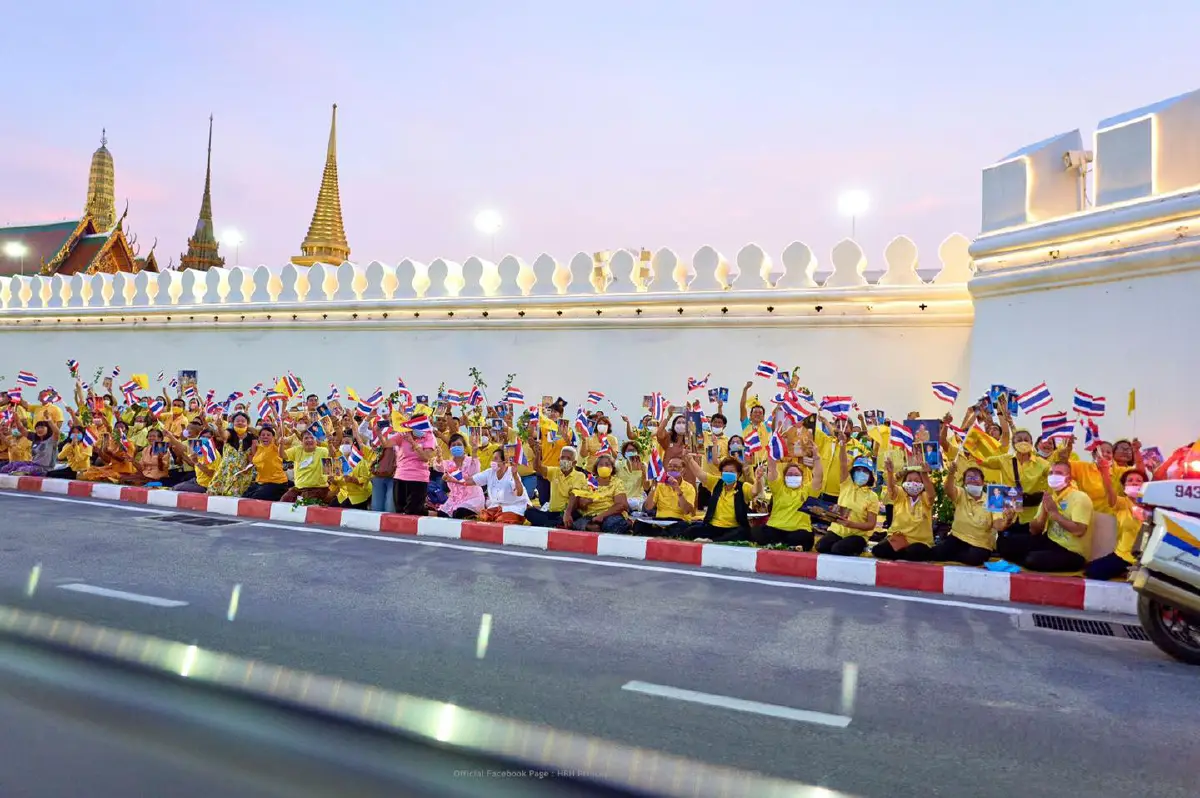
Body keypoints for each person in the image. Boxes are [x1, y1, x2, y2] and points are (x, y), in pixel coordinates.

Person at [996, 461, 1093, 572]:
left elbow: (1079, 531)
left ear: (1069, 478)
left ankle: (1025, 558)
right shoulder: (1050, 497)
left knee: (1032, 559)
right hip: (1050, 541)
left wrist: (1054, 514)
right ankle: (1025, 557)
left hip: (1072, 551)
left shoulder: (1080, 498)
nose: (1053, 476)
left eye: (1059, 473)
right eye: (1051, 473)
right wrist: (1043, 512)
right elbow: (1035, 530)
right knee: (1004, 544)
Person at [753, 447, 825, 550]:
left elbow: (818, 477)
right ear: (784, 477)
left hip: (799, 530)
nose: (793, 476)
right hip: (775, 527)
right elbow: (772, 469)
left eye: (796, 474)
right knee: (756, 533)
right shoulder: (779, 488)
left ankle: (786, 546)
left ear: (802, 477)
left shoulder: (808, 490)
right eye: (789, 474)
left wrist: (817, 458)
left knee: (802, 538)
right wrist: (772, 450)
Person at [929, 461, 1000, 566]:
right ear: (964, 482)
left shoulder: (992, 499)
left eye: (975, 477)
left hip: (980, 544)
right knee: (935, 554)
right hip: (957, 538)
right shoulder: (961, 493)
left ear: (983, 481)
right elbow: (948, 490)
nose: (972, 480)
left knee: (973, 558)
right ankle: (954, 554)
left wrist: (1007, 520)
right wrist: (951, 473)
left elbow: (999, 525)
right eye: (969, 477)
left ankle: (954, 555)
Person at [1084, 465, 1147, 581]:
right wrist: (1104, 472)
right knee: (1090, 570)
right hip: (1123, 555)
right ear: (1124, 486)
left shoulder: (1152, 506)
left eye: (1139, 481)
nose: (1134, 483)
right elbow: (1109, 491)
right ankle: (1126, 571)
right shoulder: (1122, 503)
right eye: (1130, 480)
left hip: (1144, 558)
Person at [680, 452, 755, 543]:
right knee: (690, 530)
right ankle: (716, 539)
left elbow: (755, 491)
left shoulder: (744, 486)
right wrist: (690, 460)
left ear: (738, 474)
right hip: (713, 526)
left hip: (734, 527)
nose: (728, 474)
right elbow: (700, 474)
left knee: (743, 533)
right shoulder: (716, 483)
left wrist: (758, 479)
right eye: (725, 471)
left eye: (731, 472)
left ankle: (713, 541)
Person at [816, 454, 880, 556]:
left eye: (865, 471)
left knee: (838, 549)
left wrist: (851, 524)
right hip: (838, 530)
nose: (861, 473)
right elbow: (842, 464)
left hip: (857, 534)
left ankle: (859, 547)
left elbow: (871, 524)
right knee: (821, 547)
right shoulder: (846, 484)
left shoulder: (872, 497)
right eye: (858, 470)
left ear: (870, 475)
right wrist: (842, 444)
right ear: (853, 472)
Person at [872, 461, 934, 561]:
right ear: (904, 482)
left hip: (920, 541)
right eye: (909, 480)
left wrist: (924, 475)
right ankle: (900, 552)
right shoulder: (900, 493)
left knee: (913, 552)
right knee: (878, 550)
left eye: (917, 481)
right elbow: (891, 488)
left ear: (922, 484)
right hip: (900, 538)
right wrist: (890, 473)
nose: (913, 483)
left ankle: (902, 553)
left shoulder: (925, 497)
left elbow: (931, 495)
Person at [566, 453, 630, 534]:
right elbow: (579, 502)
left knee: (610, 525)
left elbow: (622, 504)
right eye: (601, 465)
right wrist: (583, 503)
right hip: (590, 517)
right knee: (585, 525)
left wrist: (601, 516)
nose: (604, 467)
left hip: (610, 515)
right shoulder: (589, 482)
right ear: (596, 468)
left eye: (607, 464)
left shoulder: (616, 482)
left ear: (612, 468)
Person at [389, 408, 437, 515]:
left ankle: (435, 514)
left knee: (414, 511)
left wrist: (412, 442)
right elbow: (385, 444)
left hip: (418, 478)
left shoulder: (429, 437)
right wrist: (379, 432)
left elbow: (425, 457)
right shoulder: (403, 434)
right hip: (401, 476)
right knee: (400, 509)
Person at [635, 454, 696, 537]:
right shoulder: (660, 485)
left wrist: (678, 489)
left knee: (679, 528)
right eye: (670, 466)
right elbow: (648, 507)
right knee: (639, 524)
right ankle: (662, 534)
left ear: (683, 470)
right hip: (660, 521)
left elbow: (687, 511)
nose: (672, 468)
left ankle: (662, 535)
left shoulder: (689, 487)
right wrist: (653, 487)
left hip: (678, 521)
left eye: (676, 467)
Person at [527, 443, 586, 528]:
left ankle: (551, 523)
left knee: (574, 516)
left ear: (574, 463)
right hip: (552, 512)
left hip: (567, 512)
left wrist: (567, 513)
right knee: (529, 512)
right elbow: (537, 468)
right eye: (562, 457)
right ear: (559, 460)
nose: (564, 460)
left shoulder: (579, 475)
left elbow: (575, 494)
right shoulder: (554, 471)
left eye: (568, 458)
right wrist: (537, 454)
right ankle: (554, 524)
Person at [470, 445, 529, 524]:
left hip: (513, 506)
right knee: (483, 517)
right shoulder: (490, 471)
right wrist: (454, 479)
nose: (492, 462)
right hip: (497, 506)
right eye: (492, 459)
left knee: (501, 521)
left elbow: (518, 493)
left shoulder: (512, 473)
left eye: (495, 459)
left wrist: (515, 476)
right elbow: (471, 480)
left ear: (504, 462)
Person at [435, 432, 484, 519]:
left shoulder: (471, 461)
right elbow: (439, 467)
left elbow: (474, 473)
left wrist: (474, 452)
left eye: (459, 444)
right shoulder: (448, 464)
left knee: (459, 513)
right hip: (455, 500)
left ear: (464, 448)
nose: (456, 447)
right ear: (449, 448)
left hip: (472, 498)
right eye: (453, 445)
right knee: (442, 515)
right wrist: (439, 457)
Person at [208, 412, 257, 497]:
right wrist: (219, 426)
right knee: (215, 494)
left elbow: (253, 455)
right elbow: (224, 436)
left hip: (241, 472)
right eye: (237, 421)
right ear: (233, 423)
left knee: (234, 496)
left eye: (243, 421)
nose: (240, 423)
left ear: (247, 424)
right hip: (225, 471)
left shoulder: (252, 437)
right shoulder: (230, 432)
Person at [281, 428, 334, 505]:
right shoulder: (297, 450)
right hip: (298, 488)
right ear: (301, 441)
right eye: (306, 438)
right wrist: (281, 444)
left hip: (317, 488)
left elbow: (328, 470)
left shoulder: (323, 451)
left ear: (316, 440)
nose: (309, 440)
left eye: (312, 438)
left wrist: (330, 444)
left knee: (302, 504)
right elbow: (282, 455)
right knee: (284, 501)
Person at [244, 425, 290, 501]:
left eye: (268, 435)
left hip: (277, 483)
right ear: (259, 437)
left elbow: (280, 432)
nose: (265, 437)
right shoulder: (258, 448)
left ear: (273, 437)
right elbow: (254, 462)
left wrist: (281, 420)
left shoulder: (275, 446)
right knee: (245, 497)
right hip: (260, 482)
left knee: (256, 498)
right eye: (263, 435)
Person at [368, 419, 397, 513]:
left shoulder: (404, 441)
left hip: (394, 477)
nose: (392, 433)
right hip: (379, 475)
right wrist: (378, 432)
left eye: (394, 431)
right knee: (376, 507)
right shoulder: (381, 442)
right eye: (391, 431)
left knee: (389, 507)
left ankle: (389, 526)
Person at [615, 441, 647, 512]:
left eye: (633, 450)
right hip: (622, 500)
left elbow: (647, 487)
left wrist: (644, 472)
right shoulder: (618, 465)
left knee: (634, 503)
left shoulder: (643, 465)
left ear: (637, 452)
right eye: (629, 450)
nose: (631, 453)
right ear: (624, 453)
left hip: (636, 500)